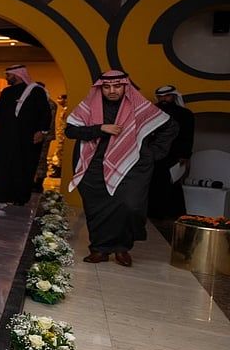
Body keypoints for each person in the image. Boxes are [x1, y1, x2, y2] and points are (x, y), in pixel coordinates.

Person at [66, 71, 176, 266]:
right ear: (100, 88)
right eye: (106, 87)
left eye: (117, 86)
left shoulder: (140, 107)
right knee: (97, 208)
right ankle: (99, 249)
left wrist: (153, 153)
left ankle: (122, 248)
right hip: (93, 166)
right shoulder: (89, 106)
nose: (112, 90)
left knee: (130, 207)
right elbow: (71, 130)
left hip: (132, 166)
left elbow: (170, 127)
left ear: (125, 86)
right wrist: (100, 128)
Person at [0, 64, 52, 205]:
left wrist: (42, 131)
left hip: (27, 139)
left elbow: (45, 112)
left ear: (17, 75)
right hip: (6, 138)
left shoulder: (36, 91)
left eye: (8, 75)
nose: (6, 78)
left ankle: (19, 196)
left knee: (23, 166)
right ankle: (0, 194)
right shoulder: (7, 92)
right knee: (3, 165)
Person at [148, 84, 194, 219]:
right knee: (152, 185)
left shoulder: (185, 114)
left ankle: (172, 217)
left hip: (174, 155)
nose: (163, 99)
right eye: (160, 96)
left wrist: (185, 155)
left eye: (167, 96)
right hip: (153, 155)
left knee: (171, 185)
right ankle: (153, 216)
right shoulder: (151, 111)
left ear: (174, 96)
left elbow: (188, 135)